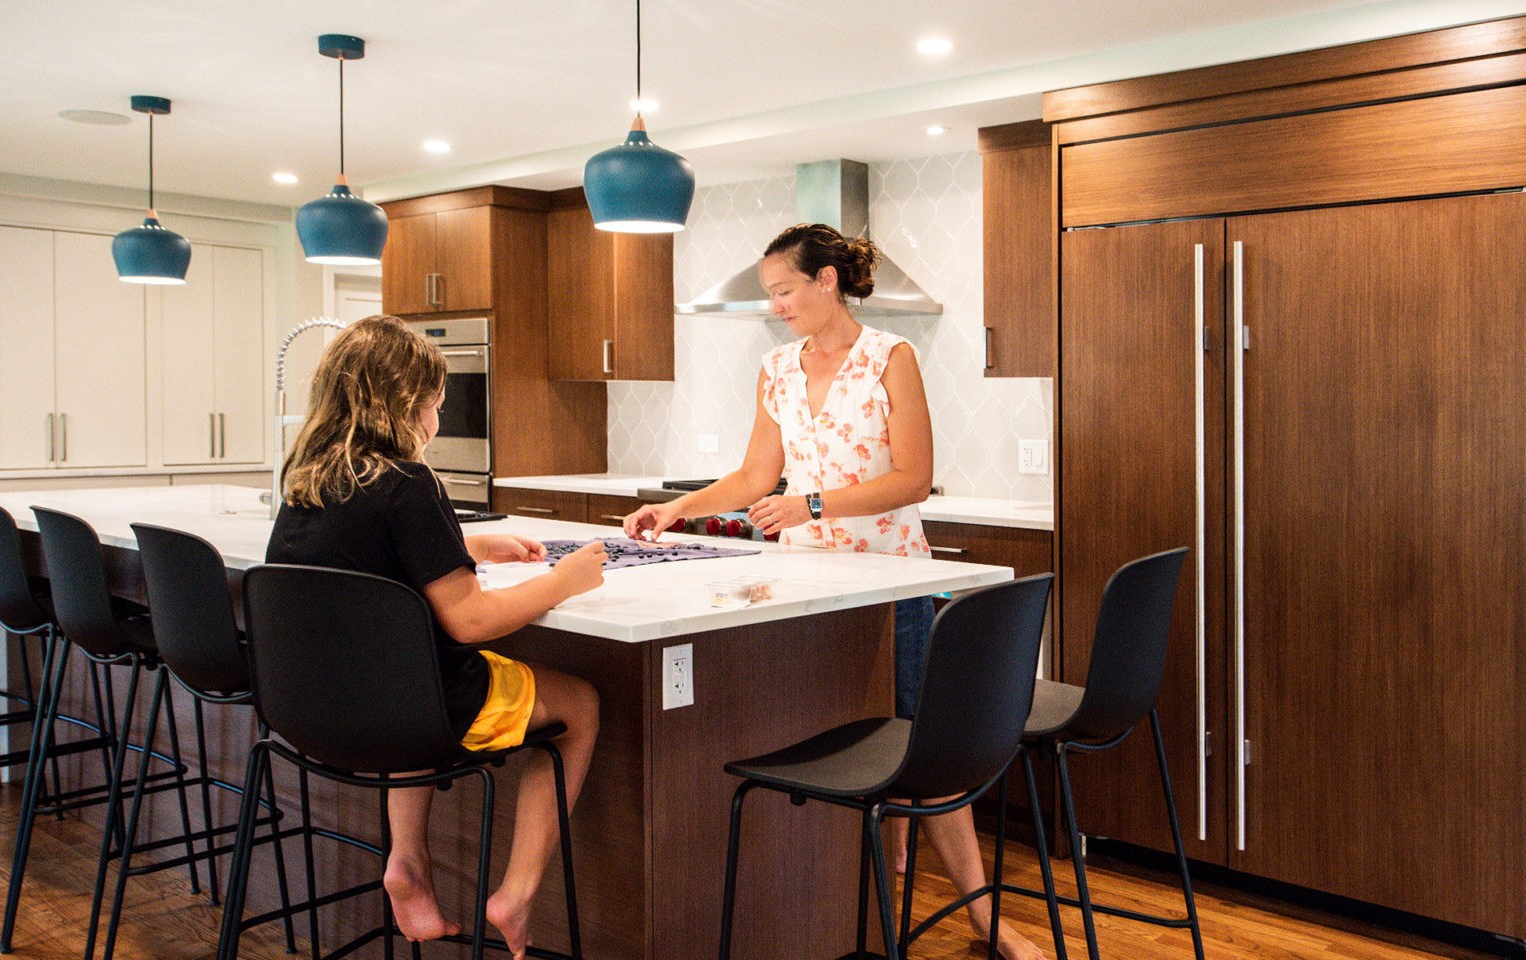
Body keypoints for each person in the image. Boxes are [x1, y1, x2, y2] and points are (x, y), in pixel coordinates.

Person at [622, 224, 1046, 960]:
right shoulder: (776, 368)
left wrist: (813, 504)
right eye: (769, 294)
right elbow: (757, 477)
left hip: (892, 578)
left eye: (785, 289)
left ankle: (983, 916)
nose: (776, 305)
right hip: (804, 581)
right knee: (827, 730)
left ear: (827, 282)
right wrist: (675, 508)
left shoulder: (891, 357)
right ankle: (859, 893)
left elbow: (913, 478)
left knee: (920, 741)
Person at [267, 315, 607, 958]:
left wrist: (469, 545)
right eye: (435, 404)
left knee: (402, 678)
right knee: (580, 705)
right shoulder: (407, 481)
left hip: (310, 704)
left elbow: (372, 559)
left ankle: (408, 863)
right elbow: (470, 621)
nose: (437, 419)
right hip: (404, 708)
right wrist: (565, 579)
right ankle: (516, 893)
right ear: (404, 403)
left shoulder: (310, 481)